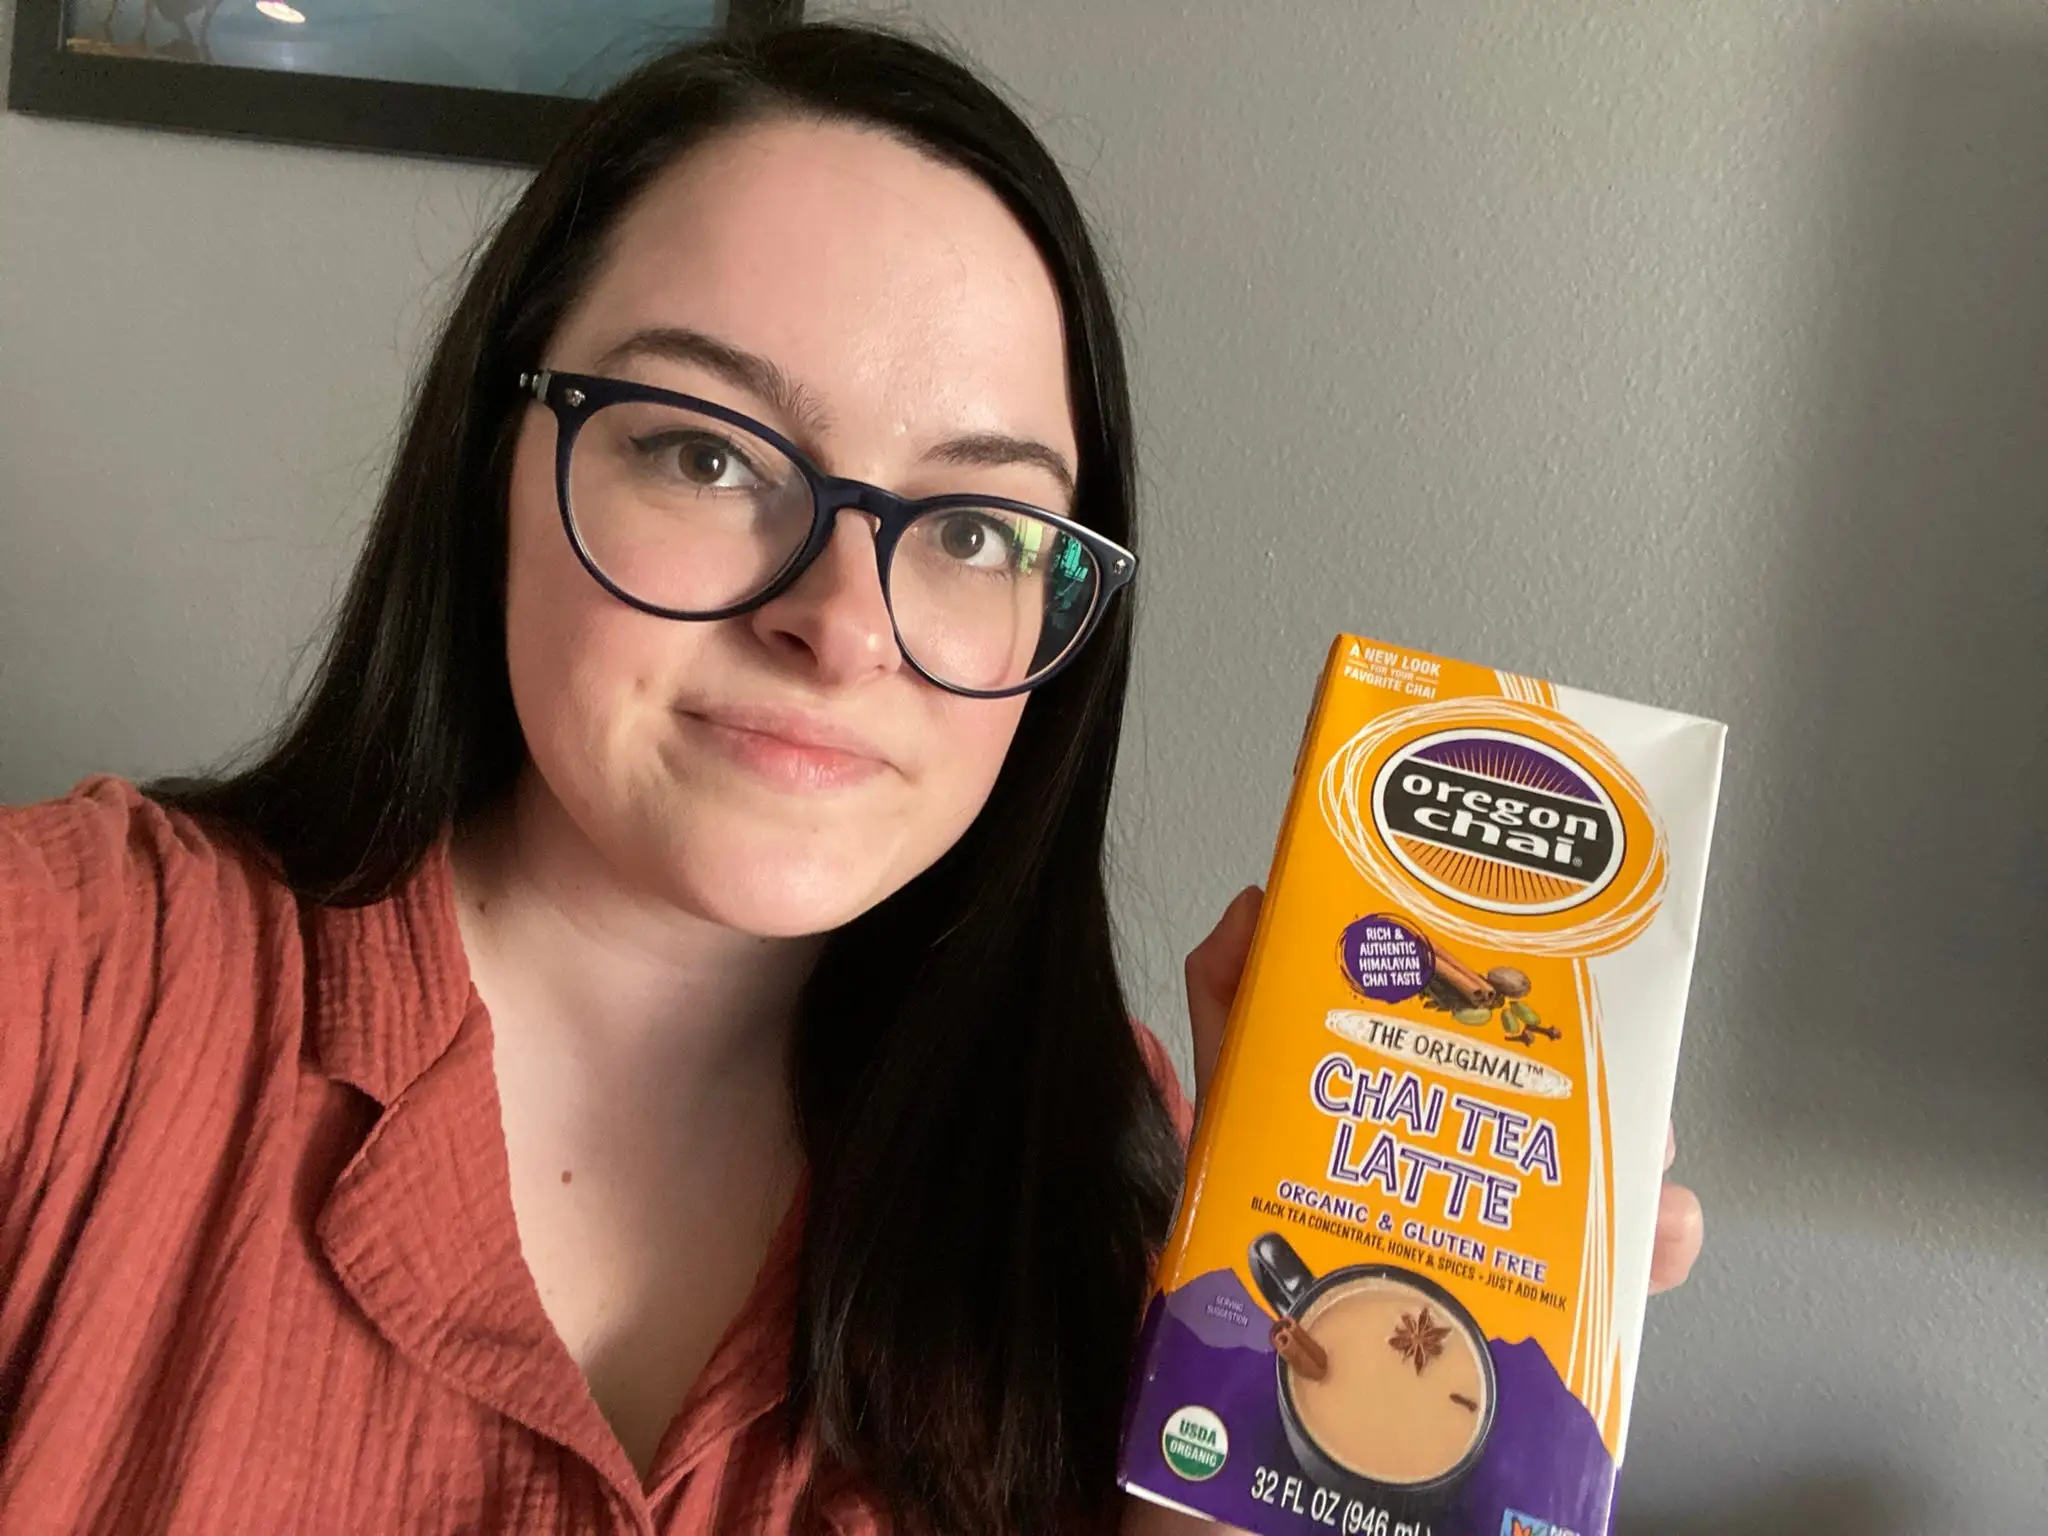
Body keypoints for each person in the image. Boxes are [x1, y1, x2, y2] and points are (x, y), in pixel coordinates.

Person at [0, 21, 1702, 1536]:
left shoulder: (1116, 1191)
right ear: (491, 464)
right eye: (707, 450)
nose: (840, 625)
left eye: (972, 526)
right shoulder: (74, 984)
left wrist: (1270, 1472)